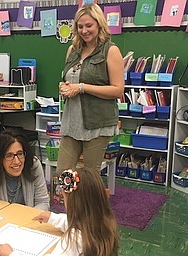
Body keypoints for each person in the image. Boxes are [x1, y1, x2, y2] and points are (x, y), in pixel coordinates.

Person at [57, 4, 124, 174]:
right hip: (72, 122)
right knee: (62, 174)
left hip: (97, 124)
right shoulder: (72, 50)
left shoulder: (111, 51)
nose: (84, 30)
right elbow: (69, 78)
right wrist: (65, 87)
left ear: (99, 25)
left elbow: (118, 90)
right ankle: (70, 202)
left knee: (90, 176)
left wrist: (81, 87)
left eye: (89, 25)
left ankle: (92, 202)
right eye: (80, 26)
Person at [0, 169, 119, 256]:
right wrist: (52, 218)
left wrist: (12, 254)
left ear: (73, 204)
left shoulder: (73, 240)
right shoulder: (104, 224)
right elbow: (79, 223)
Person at [0, 129, 49, 211]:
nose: (17, 161)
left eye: (20, 154)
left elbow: (43, 202)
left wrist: (27, 219)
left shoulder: (33, 164)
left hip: (30, 219)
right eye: (9, 155)